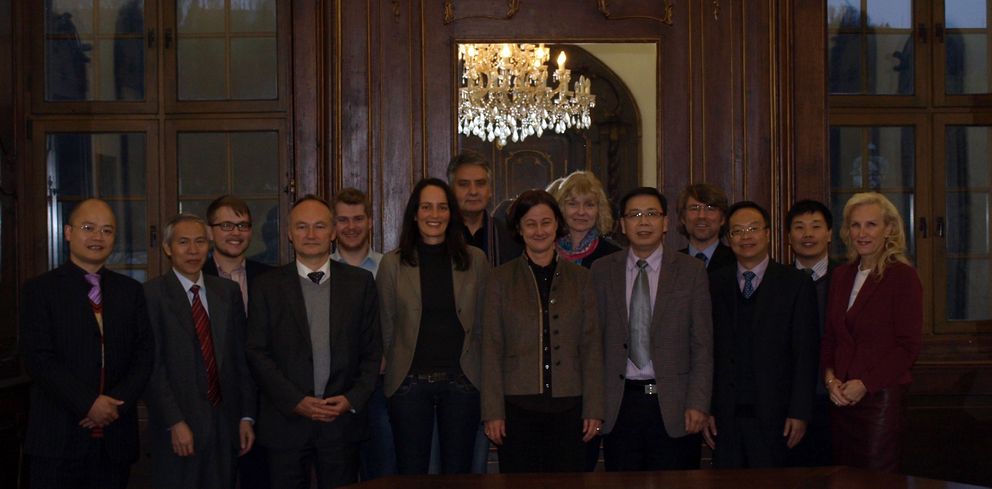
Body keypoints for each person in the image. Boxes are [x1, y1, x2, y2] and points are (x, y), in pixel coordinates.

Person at [246, 195, 381, 489]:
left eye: (319, 226)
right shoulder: (266, 286)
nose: (310, 234)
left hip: (341, 423)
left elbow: (372, 352)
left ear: (332, 232)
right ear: (290, 234)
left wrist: (351, 400)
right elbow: (257, 352)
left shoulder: (360, 283)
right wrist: (295, 401)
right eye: (302, 227)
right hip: (285, 423)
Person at [19, 198, 154, 489]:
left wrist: (113, 406)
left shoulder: (130, 291)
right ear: (68, 232)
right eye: (88, 228)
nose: (98, 237)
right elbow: (38, 359)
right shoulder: (40, 290)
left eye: (107, 230)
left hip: (115, 439)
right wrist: (88, 404)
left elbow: (144, 355)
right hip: (57, 439)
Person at [481, 189, 604, 473]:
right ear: (519, 230)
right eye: (531, 223)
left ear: (557, 226)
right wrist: (492, 412)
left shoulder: (582, 279)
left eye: (546, 222)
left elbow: (591, 347)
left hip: (570, 408)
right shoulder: (499, 280)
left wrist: (594, 408)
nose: (539, 231)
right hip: (516, 410)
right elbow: (490, 348)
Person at [592, 187, 713, 471]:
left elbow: (703, 344)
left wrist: (698, 402)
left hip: (674, 404)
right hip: (619, 404)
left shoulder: (691, 271)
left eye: (651, 214)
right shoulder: (601, 271)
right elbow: (592, 344)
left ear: (666, 223)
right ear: (622, 225)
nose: (643, 222)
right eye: (634, 215)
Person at [377, 178, 489, 474]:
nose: (434, 215)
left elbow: (482, 323)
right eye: (426, 207)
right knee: (411, 472)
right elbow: (386, 324)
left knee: (458, 471)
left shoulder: (475, 260)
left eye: (442, 207)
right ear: (414, 214)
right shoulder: (392, 264)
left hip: (462, 383)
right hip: (409, 383)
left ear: (451, 213)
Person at [143, 214, 256, 489]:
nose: (193, 251)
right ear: (168, 248)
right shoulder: (151, 295)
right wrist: (175, 422)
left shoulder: (227, 292)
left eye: (200, 242)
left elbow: (241, 360)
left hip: (225, 425)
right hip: (178, 428)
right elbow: (152, 367)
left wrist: (246, 416)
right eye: (183, 242)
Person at [703, 201, 818, 468]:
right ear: (728, 239)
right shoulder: (713, 283)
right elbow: (706, 350)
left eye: (753, 228)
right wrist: (707, 406)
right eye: (737, 231)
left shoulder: (796, 283)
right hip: (726, 416)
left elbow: (806, 353)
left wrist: (800, 412)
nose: (746, 237)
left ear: (768, 234)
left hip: (777, 416)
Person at [821, 192, 922, 473]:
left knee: (876, 479)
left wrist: (864, 384)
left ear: (889, 228)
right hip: (840, 400)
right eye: (855, 225)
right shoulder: (841, 275)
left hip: (880, 400)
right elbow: (830, 337)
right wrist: (830, 380)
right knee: (844, 478)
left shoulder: (902, 276)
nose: (861, 233)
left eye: (871, 225)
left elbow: (908, 347)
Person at [202, 195, 273, 489]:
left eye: (242, 225)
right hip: (210, 407)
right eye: (227, 225)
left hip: (264, 406)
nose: (235, 232)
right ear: (210, 231)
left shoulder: (271, 278)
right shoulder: (194, 279)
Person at [330, 188, 391, 480]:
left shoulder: (389, 268)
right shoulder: (321, 271)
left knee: (382, 473)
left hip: (381, 388)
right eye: (343, 220)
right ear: (333, 226)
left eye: (357, 219)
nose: (351, 226)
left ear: (370, 222)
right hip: (333, 388)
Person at [785, 199, 837, 467]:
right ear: (788, 236)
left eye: (816, 227)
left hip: (837, 399)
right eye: (799, 227)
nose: (808, 234)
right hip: (788, 403)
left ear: (829, 233)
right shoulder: (776, 280)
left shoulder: (847, 277)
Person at [447, 150, 521, 266]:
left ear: (490, 190)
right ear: (451, 190)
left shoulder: (510, 238)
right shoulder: (440, 234)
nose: (473, 191)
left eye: (480, 184)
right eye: (464, 184)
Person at [550, 171, 621, 268]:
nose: (581, 212)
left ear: (599, 210)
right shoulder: (546, 250)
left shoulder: (613, 257)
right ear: (561, 207)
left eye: (589, 205)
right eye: (573, 204)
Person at [676, 183, 735, 271]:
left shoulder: (737, 261)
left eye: (710, 208)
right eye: (694, 208)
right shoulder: (670, 264)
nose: (701, 216)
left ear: (722, 218)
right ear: (683, 218)